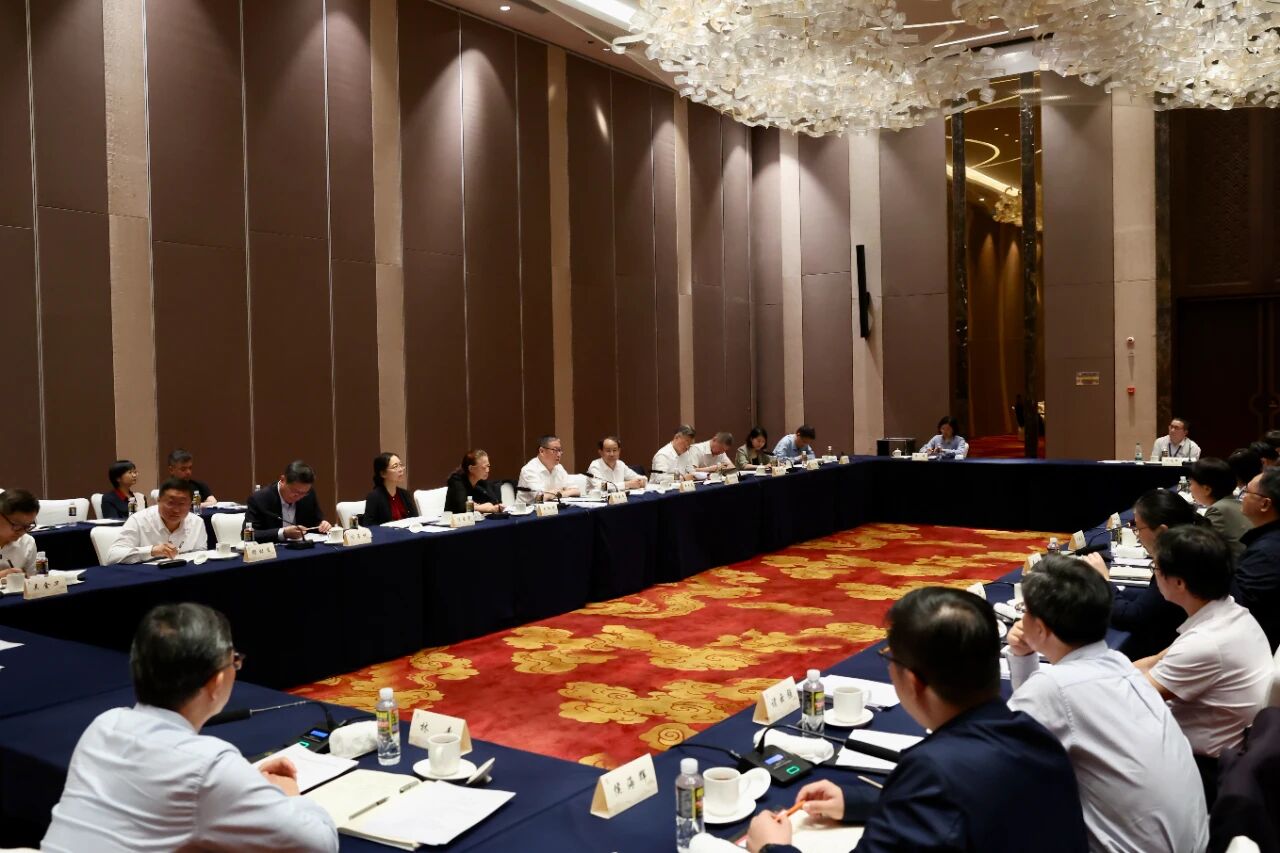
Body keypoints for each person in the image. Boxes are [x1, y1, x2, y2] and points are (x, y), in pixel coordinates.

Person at [746, 587, 1087, 853]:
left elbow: (948, 802)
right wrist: (857, 803)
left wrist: (772, 847)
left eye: (890, 658)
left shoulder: (932, 772)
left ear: (913, 681)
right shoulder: (1037, 736)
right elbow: (976, 806)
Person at [41, 603, 338, 852]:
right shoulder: (208, 766)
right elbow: (319, 844)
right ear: (216, 682)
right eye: (234, 661)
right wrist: (286, 795)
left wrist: (246, 787)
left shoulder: (103, 725)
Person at [1006, 554, 1208, 853]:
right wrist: (1024, 657)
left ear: (1041, 627)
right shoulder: (1117, 662)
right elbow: (1032, 721)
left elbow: (999, 765)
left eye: (1025, 612)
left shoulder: (1054, 687)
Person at [1135, 526, 1272, 802]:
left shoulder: (1207, 643)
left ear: (1179, 583)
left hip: (1203, 769)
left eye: (1156, 568)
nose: (1154, 574)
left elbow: (1131, 695)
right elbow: (1156, 660)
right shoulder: (1230, 611)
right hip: (1219, 751)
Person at [1097, 489, 1206, 661]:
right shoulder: (1194, 546)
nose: (1137, 536)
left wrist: (1103, 582)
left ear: (1161, 531)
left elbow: (1134, 617)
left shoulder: (1178, 562)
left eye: (1138, 528)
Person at [106, 478, 208, 564]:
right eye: (170, 503)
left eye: (182, 504)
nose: (176, 510)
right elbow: (112, 556)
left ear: (190, 504)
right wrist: (151, 551)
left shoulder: (197, 522)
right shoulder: (139, 520)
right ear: (158, 500)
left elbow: (201, 555)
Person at [1233, 468, 1280, 652]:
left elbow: (1239, 609)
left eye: (1246, 492)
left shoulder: (1267, 553)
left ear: (1265, 504)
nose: (1242, 497)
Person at [245, 461, 332, 543]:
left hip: (303, 547)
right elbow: (247, 535)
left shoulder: (308, 495)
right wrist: (283, 533)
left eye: (303, 493)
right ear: (283, 480)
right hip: (274, 550)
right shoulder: (260, 499)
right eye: (295, 491)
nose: (298, 496)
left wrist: (323, 525)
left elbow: (316, 521)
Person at [1190, 457, 1251, 560]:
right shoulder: (1237, 503)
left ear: (1207, 489)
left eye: (1191, 483)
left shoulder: (1218, 510)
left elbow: (1204, 550)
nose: (1190, 488)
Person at [517, 435, 579, 501]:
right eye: (555, 450)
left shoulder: (559, 467)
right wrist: (561, 491)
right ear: (542, 451)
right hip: (530, 507)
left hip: (552, 506)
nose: (559, 454)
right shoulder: (529, 470)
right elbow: (540, 498)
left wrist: (559, 494)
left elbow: (576, 491)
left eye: (560, 450)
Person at [362, 452, 414, 525]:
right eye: (395, 467)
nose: (400, 470)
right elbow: (369, 525)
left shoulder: (405, 494)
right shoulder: (374, 497)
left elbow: (416, 519)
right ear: (383, 473)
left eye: (401, 465)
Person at [0, 488, 39, 580]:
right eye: (17, 525)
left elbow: (33, 581)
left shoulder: (27, 542)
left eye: (28, 526)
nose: (22, 532)